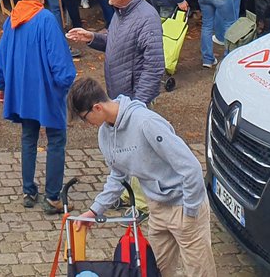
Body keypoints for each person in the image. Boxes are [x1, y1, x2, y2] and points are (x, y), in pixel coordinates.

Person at [69, 77, 217, 277]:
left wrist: (190, 211)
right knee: (154, 271)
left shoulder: (146, 123)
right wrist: (95, 211)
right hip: (157, 207)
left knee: (200, 272)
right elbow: (118, 175)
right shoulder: (105, 134)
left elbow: (190, 167)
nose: (86, 124)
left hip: (185, 207)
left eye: (84, 118)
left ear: (97, 108)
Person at [0, 0, 76, 215]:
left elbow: (0, 59)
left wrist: (2, 85)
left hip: (21, 92)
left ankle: (29, 190)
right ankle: (52, 197)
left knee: (28, 138)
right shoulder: (46, 20)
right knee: (56, 140)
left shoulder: (12, 20)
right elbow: (60, 62)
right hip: (47, 91)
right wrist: (65, 86)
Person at [66, 0, 164, 106]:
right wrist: (91, 37)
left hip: (134, 100)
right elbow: (116, 42)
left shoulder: (147, 18)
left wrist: (137, 104)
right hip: (120, 96)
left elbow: (154, 67)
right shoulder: (121, 12)